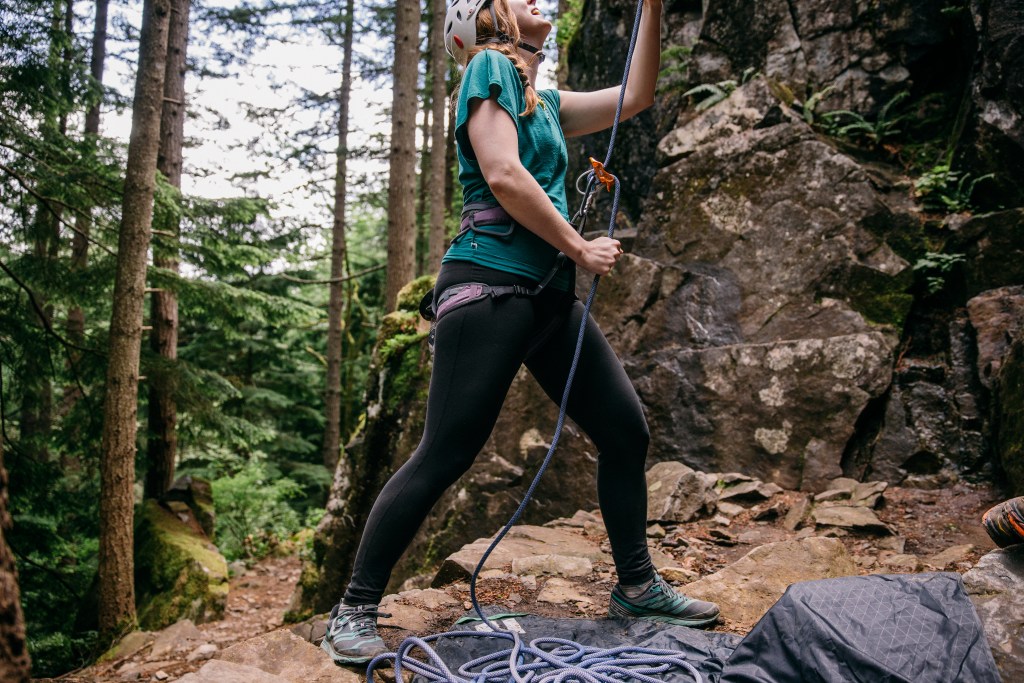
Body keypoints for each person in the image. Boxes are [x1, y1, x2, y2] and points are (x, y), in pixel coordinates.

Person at [321, 0, 720, 665]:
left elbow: (637, 96)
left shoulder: (542, 100)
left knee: (625, 429)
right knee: (444, 453)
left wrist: (651, 9)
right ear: (491, 17)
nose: (542, 1)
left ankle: (637, 585)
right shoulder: (488, 68)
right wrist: (578, 245)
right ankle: (355, 608)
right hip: (489, 288)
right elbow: (503, 173)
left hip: (544, 301)